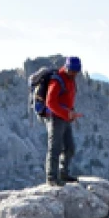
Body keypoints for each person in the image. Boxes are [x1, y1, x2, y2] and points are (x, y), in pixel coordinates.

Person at [45, 56, 83, 186]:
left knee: (70, 147)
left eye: (76, 72)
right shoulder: (57, 80)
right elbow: (50, 102)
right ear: (66, 68)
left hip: (66, 117)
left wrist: (71, 113)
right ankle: (51, 177)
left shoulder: (71, 79)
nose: (74, 74)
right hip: (55, 118)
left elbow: (67, 98)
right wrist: (66, 113)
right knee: (55, 148)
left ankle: (63, 173)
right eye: (72, 71)